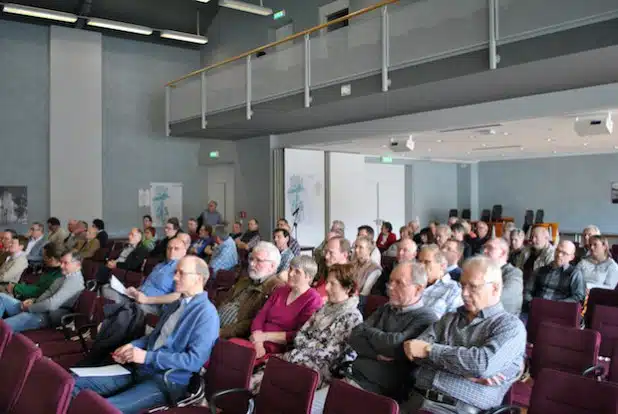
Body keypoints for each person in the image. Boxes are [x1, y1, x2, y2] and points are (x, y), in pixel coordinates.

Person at [71, 256, 219, 414]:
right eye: (175, 272)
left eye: (181, 273)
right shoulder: (176, 304)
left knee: (102, 408)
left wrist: (146, 357)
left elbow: (194, 361)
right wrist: (132, 346)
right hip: (142, 369)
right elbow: (154, 337)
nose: (174, 277)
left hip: (167, 381)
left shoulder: (207, 314)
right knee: (72, 384)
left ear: (199, 278)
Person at [403, 256, 526, 413]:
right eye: (462, 286)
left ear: (495, 288)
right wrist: (463, 366)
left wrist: (430, 351)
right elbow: (414, 350)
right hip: (416, 400)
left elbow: (481, 365)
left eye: (473, 287)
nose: (464, 293)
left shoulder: (510, 327)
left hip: (459, 408)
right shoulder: (450, 318)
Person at [320, 262, 437, 407]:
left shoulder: (426, 318)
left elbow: (394, 347)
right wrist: (376, 354)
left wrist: (368, 332)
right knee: (306, 404)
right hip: (351, 376)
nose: (390, 287)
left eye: (399, 283)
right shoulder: (386, 308)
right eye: (391, 281)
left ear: (418, 289)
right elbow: (355, 335)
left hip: (378, 392)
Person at [248, 256, 322, 358]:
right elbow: (261, 315)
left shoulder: (313, 299)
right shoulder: (281, 290)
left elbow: (299, 335)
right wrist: (258, 343)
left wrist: (264, 336)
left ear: (308, 277)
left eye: (297, 272)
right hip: (256, 341)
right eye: (290, 269)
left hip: (279, 351)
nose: (290, 274)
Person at [0, 251, 85, 332]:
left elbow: (51, 304)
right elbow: (48, 293)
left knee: (2, 326)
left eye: (65, 263)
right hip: (38, 308)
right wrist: (33, 300)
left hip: (47, 316)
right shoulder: (64, 276)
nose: (61, 266)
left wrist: (29, 308)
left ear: (77, 264)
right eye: (61, 262)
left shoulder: (74, 281)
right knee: (2, 297)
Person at [102, 238, 187, 315]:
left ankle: (119, 311)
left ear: (184, 252)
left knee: (131, 309)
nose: (172, 251)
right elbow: (147, 284)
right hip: (138, 297)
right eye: (169, 248)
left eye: (176, 249)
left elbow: (177, 296)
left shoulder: (182, 269)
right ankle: (121, 309)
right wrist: (136, 290)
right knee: (106, 288)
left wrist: (147, 299)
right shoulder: (159, 265)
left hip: (153, 305)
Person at [219, 242, 283, 339]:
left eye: (258, 260)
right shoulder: (244, 280)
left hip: (232, 337)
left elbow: (254, 321)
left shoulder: (276, 288)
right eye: (251, 259)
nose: (252, 264)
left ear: (272, 266)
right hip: (216, 326)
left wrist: (222, 332)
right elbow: (225, 301)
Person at [523, 240, 585, 314]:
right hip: (535, 309)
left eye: (564, 253)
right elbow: (527, 290)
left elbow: (578, 297)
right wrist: (532, 303)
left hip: (558, 312)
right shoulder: (540, 270)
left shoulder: (575, 273)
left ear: (572, 257)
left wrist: (555, 306)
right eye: (558, 250)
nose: (559, 255)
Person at [418, 244, 463, 318]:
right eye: (420, 261)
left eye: (427, 262)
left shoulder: (454, 289)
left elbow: (451, 323)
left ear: (442, 265)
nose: (421, 266)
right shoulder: (413, 284)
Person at [484, 238, 523, 316]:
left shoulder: (514, 273)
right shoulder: (484, 270)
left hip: (502, 319)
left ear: (502, 253)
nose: (484, 251)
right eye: (485, 247)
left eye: (490, 248)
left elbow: (504, 298)